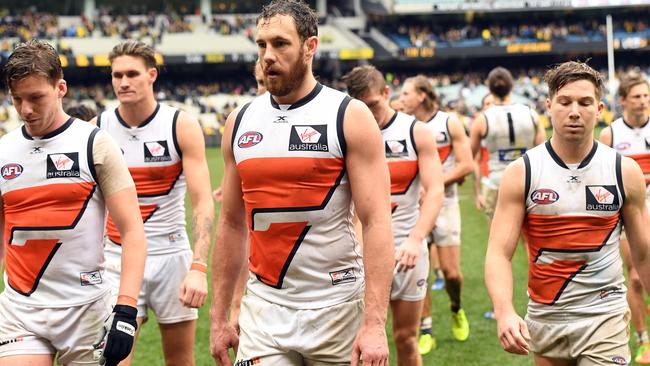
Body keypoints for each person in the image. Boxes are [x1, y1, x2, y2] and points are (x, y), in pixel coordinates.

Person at [209, 1, 394, 365]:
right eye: (261, 45)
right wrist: (218, 318)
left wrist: (374, 323)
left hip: (337, 307)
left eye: (280, 44)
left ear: (310, 46)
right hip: (265, 309)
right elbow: (231, 223)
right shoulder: (240, 121)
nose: (268, 56)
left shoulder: (349, 116)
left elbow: (376, 222)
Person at [486, 61, 650, 365]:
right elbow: (498, 253)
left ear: (600, 108)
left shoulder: (623, 171)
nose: (575, 111)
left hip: (605, 315)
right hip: (546, 316)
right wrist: (504, 311)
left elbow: (643, 253)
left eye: (585, 102)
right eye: (565, 102)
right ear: (549, 106)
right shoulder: (523, 172)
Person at [0, 39, 146, 366]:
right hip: (20, 310)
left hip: (87, 310)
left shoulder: (95, 144)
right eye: (17, 99)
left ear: (60, 88)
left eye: (36, 97)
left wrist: (125, 309)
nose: (25, 109)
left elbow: (133, 231)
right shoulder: (3, 150)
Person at [93, 40, 214, 366]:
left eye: (132, 73)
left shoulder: (180, 125)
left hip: (171, 255)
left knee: (180, 361)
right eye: (117, 75)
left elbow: (202, 202)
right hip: (118, 259)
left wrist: (198, 268)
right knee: (113, 359)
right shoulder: (99, 129)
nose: (123, 82)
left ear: (152, 75)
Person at [343, 64, 444, 366]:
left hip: (407, 249)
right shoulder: (346, 134)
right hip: (360, 251)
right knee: (361, 342)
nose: (369, 113)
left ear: (387, 94)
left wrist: (416, 240)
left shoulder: (416, 132)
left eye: (373, 104)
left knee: (405, 338)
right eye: (361, 107)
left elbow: (435, 190)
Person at [400, 74, 473, 352]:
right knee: (420, 271)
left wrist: (434, 186)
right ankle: (426, 327)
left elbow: (466, 165)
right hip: (413, 209)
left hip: (445, 204)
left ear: (421, 95)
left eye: (406, 93)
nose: (402, 98)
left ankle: (456, 307)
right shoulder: (402, 125)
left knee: (452, 273)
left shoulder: (448, 122)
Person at [599, 70, 650, 364]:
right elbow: (603, 177)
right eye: (637, 97)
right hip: (629, 213)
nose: (643, 102)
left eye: (646, 96)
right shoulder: (611, 135)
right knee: (635, 277)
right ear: (623, 101)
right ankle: (643, 339)